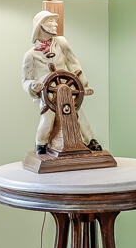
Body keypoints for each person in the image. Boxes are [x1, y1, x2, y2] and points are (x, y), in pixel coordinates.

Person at [23, 9, 100, 154]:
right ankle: (41, 143)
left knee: (77, 114)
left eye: (55, 21)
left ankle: (91, 140)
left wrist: (83, 85)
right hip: (47, 95)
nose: (55, 24)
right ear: (40, 26)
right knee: (47, 119)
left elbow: (73, 63)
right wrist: (33, 86)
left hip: (66, 89)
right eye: (50, 21)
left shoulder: (61, 43)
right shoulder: (30, 55)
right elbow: (26, 80)